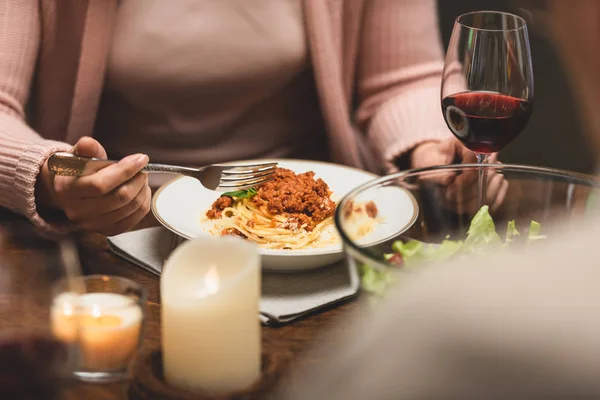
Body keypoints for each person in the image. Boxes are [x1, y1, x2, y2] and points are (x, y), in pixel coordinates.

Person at [283, 1, 600, 398]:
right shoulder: (440, 333)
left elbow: (399, 78)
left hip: (335, 224)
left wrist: (429, 148)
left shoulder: (441, 335)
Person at [0, 0, 473, 236]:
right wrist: (53, 172)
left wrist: (435, 151)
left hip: (319, 227)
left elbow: (401, 78)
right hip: (108, 231)